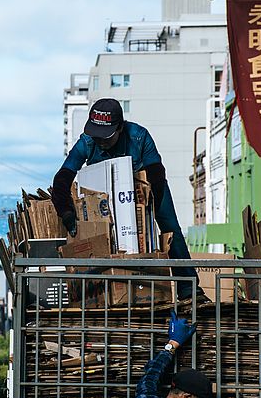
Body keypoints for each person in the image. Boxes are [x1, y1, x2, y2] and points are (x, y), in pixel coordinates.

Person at [51, 97, 207, 302]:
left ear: (120, 128)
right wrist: (66, 212)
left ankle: (189, 289)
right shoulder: (86, 142)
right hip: (104, 191)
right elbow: (62, 178)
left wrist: (150, 204)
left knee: (171, 228)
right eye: (97, 137)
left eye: (106, 138)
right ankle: (107, 291)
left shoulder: (140, 136)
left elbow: (156, 173)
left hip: (145, 186)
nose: (101, 142)